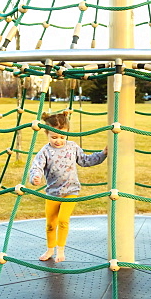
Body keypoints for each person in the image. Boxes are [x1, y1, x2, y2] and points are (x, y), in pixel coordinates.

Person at [28, 110, 107, 263]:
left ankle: (60, 250)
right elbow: (36, 167)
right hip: (52, 192)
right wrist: (35, 177)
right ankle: (50, 249)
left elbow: (85, 160)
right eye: (54, 137)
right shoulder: (45, 151)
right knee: (50, 224)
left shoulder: (72, 147)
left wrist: (102, 154)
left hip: (71, 190)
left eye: (62, 136)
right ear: (47, 134)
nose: (58, 140)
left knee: (63, 220)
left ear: (67, 133)